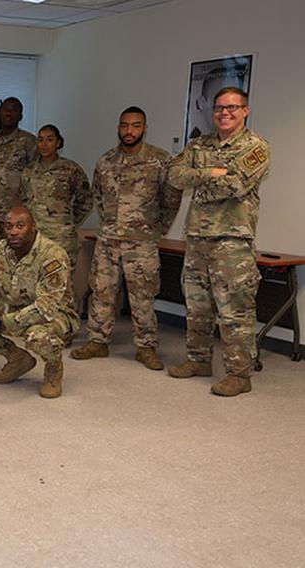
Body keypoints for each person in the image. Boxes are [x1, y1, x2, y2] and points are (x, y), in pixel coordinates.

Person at [166, 87, 270, 396]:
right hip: (198, 237)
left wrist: (199, 177)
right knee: (197, 305)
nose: (225, 113)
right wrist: (211, 171)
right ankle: (198, 360)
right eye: (220, 108)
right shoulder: (200, 143)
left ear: (245, 111)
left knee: (234, 309)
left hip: (232, 241)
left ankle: (239, 374)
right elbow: (174, 175)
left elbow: (235, 185)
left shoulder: (256, 147)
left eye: (232, 108)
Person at [71, 107, 182, 370]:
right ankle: (98, 341)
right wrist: (109, 223)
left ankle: (146, 347)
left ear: (144, 128)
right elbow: (98, 194)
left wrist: (158, 229)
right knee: (101, 291)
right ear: (118, 128)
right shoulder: (105, 161)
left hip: (141, 242)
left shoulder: (159, 160)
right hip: (108, 240)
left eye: (135, 125)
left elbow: (171, 199)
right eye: (124, 125)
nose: (129, 131)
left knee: (142, 295)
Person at [0, 207, 78, 399]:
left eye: (20, 226)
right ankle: (17, 358)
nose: (13, 231)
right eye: (8, 226)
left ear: (33, 227)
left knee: (37, 336)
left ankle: (53, 368)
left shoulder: (53, 255)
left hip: (53, 315)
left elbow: (45, 307)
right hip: (13, 307)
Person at [19, 124, 92, 274]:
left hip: (61, 237)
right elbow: (23, 200)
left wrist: (68, 222)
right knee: (33, 279)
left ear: (58, 143)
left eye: (49, 139)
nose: (44, 144)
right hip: (35, 236)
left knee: (61, 281)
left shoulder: (71, 169)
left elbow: (86, 200)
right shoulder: (28, 170)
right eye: (40, 140)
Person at [0, 97, 37, 245]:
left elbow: (37, 178)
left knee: (20, 258)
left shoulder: (30, 142)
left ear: (21, 116)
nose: (9, 113)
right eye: (5, 109)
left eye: (14, 110)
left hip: (20, 217)